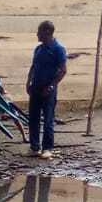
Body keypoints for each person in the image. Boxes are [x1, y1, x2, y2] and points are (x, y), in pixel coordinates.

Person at [25, 20, 67, 159]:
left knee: (48, 118)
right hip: (35, 87)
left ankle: (47, 148)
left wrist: (52, 86)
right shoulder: (38, 49)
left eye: (39, 32)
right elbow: (33, 66)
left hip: (48, 89)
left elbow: (62, 70)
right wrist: (28, 82)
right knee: (33, 118)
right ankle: (34, 147)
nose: (37, 34)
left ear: (47, 32)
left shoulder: (58, 49)